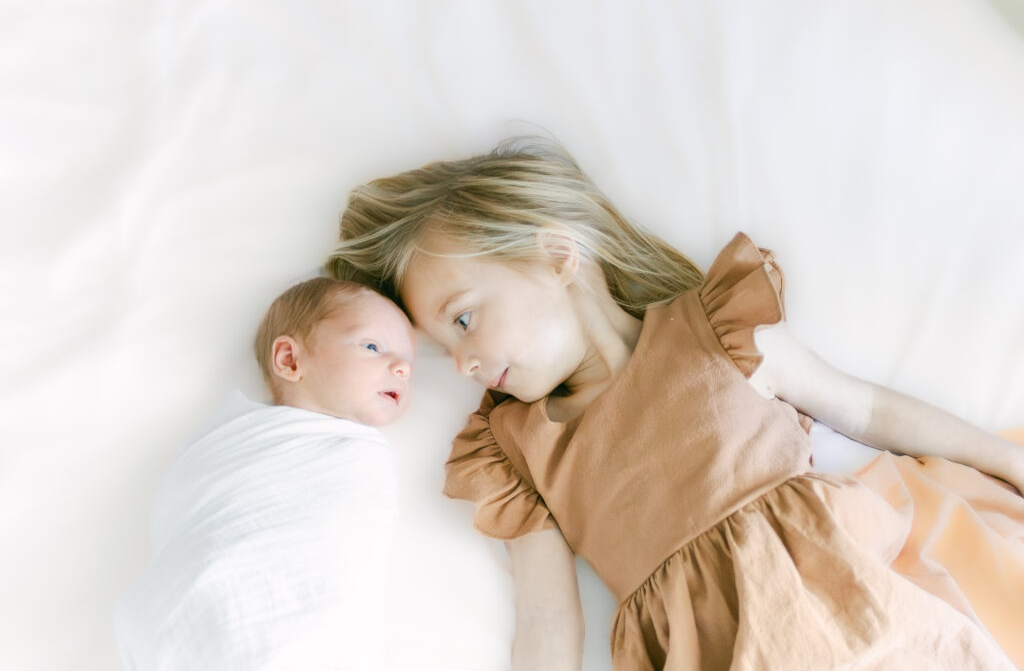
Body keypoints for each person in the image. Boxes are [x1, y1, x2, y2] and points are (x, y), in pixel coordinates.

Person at [324, 137, 1024, 671]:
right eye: (445, 345)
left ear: (556, 256)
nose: (464, 362)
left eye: (464, 319)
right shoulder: (515, 448)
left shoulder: (717, 331)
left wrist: (1006, 459)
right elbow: (545, 619)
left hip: (865, 612)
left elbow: (866, 410)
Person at [115, 278, 415, 670]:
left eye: (410, 364)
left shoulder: (357, 458)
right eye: (373, 347)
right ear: (290, 360)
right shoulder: (241, 446)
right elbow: (202, 519)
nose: (401, 368)